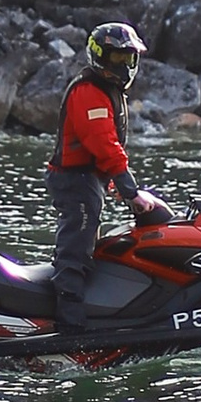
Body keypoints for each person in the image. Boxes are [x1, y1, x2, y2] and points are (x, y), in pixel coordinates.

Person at [45, 20, 169, 320]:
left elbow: (104, 151)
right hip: (75, 181)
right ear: (100, 56)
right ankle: (70, 321)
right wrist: (130, 190)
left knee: (87, 236)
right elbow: (103, 144)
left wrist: (116, 183)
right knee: (77, 242)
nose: (125, 65)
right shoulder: (89, 92)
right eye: (117, 58)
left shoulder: (108, 91)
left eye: (129, 58)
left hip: (90, 179)